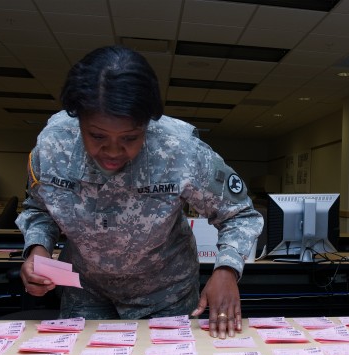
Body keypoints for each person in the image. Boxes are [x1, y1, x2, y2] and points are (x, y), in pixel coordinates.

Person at [16, 45, 263, 339]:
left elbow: (240, 215)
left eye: (130, 137)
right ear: (77, 119)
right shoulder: (53, 146)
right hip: (85, 292)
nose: (111, 150)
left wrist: (227, 270)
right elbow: (39, 209)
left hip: (165, 295)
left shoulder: (179, 150)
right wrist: (37, 249)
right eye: (96, 136)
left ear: (148, 123)